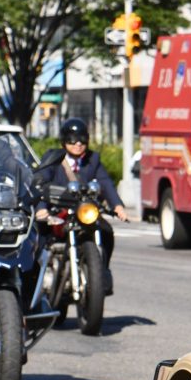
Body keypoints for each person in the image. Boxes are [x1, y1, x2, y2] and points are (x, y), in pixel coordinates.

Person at [35, 118, 128, 293]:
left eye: (82, 139)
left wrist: (117, 206)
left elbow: (105, 183)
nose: (78, 143)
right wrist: (41, 208)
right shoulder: (53, 158)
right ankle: (34, 278)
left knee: (107, 232)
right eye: (72, 139)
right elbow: (41, 183)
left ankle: (102, 272)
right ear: (64, 141)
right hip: (57, 211)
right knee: (39, 237)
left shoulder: (93, 160)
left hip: (83, 211)